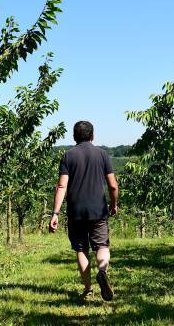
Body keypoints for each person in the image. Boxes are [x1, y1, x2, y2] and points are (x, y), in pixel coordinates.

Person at [49, 121, 119, 302]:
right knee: (102, 246)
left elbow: (61, 185)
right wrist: (114, 203)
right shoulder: (102, 154)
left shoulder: (68, 156)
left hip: (76, 211)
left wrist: (55, 213)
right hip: (98, 209)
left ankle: (88, 290)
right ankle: (102, 271)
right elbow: (112, 185)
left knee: (81, 249)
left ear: (74, 137)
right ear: (92, 136)